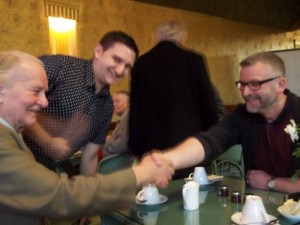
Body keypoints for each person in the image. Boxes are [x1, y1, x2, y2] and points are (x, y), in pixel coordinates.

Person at [0, 50, 174, 225]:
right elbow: (58, 195)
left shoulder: (104, 106)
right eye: (35, 91)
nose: (45, 102)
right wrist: (141, 173)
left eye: (45, 93)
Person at [153, 51, 300, 193]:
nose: (245, 93)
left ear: (280, 85)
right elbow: (209, 142)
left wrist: (270, 182)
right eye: (242, 84)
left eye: (255, 84)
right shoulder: (243, 115)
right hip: (260, 208)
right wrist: (167, 160)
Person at [22, 31, 138, 177]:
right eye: (116, 59)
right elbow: (14, 105)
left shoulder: (107, 106)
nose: (121, 70)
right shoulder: (59, 66)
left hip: (49, 177)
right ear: (98, 51)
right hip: (16, 166)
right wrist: (48, 142)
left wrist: (89, 194)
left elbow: (90, 157)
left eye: (127, 66)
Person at [128, 20, 219, 179]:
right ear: (182, 38)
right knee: (193, 192)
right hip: (188, 143)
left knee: (155, 195)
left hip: (151, 146)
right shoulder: (194, 60)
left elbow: (135, 108)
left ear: (156, 37)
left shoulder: (141, 63)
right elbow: (207, 103)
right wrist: (212, 137)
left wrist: (135, 148)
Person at [103, 90, 130, 157]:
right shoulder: (124, 118)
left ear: (129, 103)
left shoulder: (127, 119)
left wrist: (107, 139)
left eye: (117, 101)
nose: (114, 104)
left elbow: (120, 147)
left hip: (117, 165)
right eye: (113, 101)